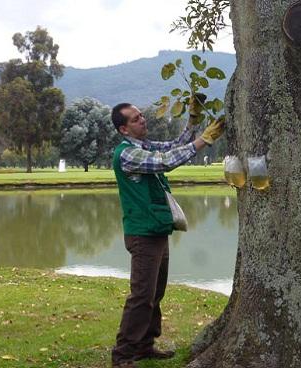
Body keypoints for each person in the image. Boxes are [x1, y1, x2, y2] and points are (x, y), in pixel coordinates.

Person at [110, 96, 224, 368]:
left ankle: (145, 345)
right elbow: (166, 162)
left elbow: (174, 146)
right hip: (143, 234)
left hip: (157, 230)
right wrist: (205, 140)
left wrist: (193, 122)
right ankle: (123, 355)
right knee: (141, 296)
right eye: (136, 118)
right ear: (124, 129)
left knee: (155, 293)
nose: (143, 119)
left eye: (142, 115)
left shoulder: (144, 145)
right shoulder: (127, 153)